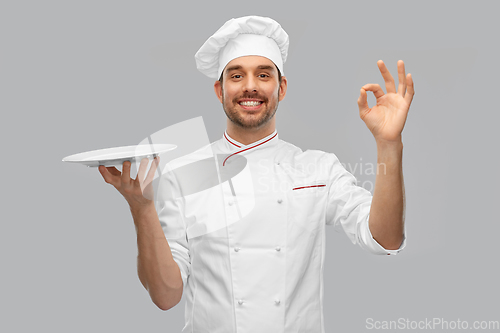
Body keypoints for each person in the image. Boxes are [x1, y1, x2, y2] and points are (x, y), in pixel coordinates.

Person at [98, 15, 414, 333]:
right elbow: (166, 295)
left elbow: (385, 239)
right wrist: (142, 210)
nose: (250, 85)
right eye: (237, 75)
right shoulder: (185, 174)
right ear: (220, 89)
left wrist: (389, 145)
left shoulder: (318, 169)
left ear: (282, 87)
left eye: (263, 74)